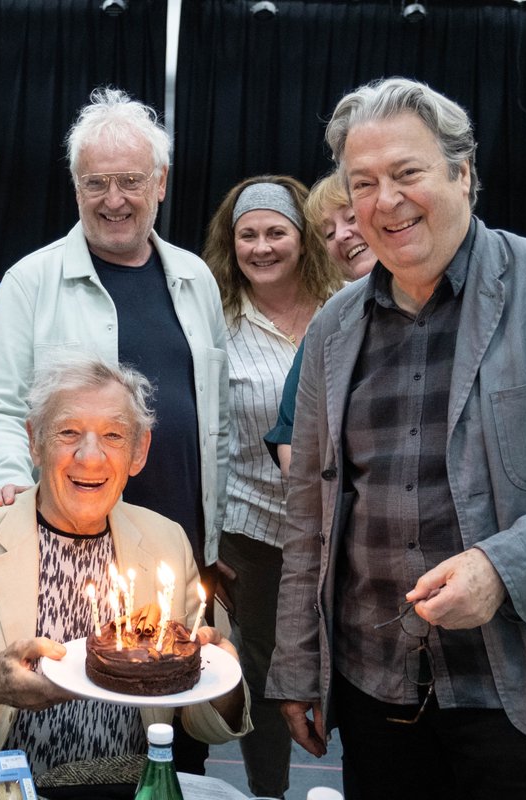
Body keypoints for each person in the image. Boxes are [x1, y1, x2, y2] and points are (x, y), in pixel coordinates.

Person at [266, 77, 526, 799]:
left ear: (463, 173)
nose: (384, 202)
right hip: (376, 693)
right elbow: (311, 513)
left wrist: (503, 568)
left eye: (407, 173)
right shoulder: (334, 329)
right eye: (362, 183)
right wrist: (298, 666)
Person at [0, 87, 229, 772]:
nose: (115, 199)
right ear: (76, 186)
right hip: (70, 561)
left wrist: (214, 536)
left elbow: (215, 422)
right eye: (97, 183)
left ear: (162, 183)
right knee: (71, 735)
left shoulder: (197, 279)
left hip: (174, 553)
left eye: (131, 181)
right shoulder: (31, 280)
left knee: (169, 741)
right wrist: (5, 480)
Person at [0, 358, 251, 799]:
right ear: (34, 442)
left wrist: (223, 678)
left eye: (114, 436)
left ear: (139, 451)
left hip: (131, 787)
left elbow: (208, 723)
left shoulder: (164, 540)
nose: (90, 456)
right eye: (68, 432)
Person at [200, 176, 344, 798]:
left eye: (275, 232)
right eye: (247, 235)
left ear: (302, 237)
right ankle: (269, 792)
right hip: (251, 529)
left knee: (355, 665)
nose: (261, 247)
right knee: (259, 672)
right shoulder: (217, 321)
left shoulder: (347, 303)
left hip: (345, 528)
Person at [264, 169, 378, 477]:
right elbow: (290, 441)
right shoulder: (330, 324)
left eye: (351, 218)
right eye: (328, 233)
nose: (341, 235)